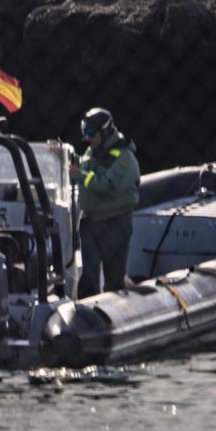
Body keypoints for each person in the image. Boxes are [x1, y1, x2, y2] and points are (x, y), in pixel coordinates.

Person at [72, 107, 139, 297]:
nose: (87, 139)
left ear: (105, 131)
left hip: (115, 224)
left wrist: (79, 175)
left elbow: (108, 185)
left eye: (91, 134)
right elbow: (86, 166)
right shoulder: (93, 151)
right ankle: (86, 311)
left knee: (114, 279)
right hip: (91, 224)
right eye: (85, 134)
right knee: (89, 277)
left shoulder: (124, 158)